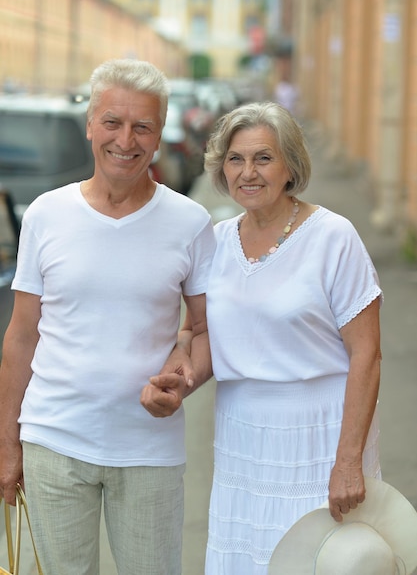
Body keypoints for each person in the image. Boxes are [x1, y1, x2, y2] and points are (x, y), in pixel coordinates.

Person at [142, 101, 383, 574]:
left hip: (319, 437)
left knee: (323, 562)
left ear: (291, 165)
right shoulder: (215, 241)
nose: (248, 172)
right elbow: (203, 334)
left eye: (263, 158)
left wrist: (349, 460)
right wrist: (181, 382)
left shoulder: (333, 237)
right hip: (244, 440)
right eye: (236, 159)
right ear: (221, 168)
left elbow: (368, 355)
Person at [0, 58, 216, 575]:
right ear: (92, 125)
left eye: (143, 125)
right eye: (113, 123)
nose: (127, 139)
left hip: (148, 448)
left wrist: (183, 383)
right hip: (54, 440)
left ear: (160, 134)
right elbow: (22, 336)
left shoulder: (190, 222)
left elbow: (208, 331)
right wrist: (7, 443)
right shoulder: (46, 215)